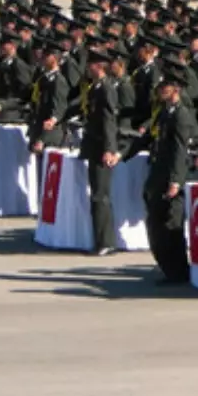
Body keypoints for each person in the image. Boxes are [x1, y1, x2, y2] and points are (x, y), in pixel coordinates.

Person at [129, 74, 196, 285]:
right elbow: (148, 138)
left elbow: (179, 151)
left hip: (169, 176)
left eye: (165, 86)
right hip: (157, 174)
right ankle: (168, 269)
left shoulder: (181, 115)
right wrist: (122, 155)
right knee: (156, 225)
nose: (161, 90)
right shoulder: (165, 113)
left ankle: (178, 272)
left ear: (176, 88)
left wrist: (176, 181)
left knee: (171, 226)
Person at [80, 50, 121, 257]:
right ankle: (99, 239)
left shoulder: (106, 88)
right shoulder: (95, 87)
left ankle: (106, 241)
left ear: (99, 66)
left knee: (100, 196)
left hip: (100, 147)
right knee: (96, 195)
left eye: (91, 64)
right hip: (93, 146)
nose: (88, 68)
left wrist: (109, 148)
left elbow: (109, 121)